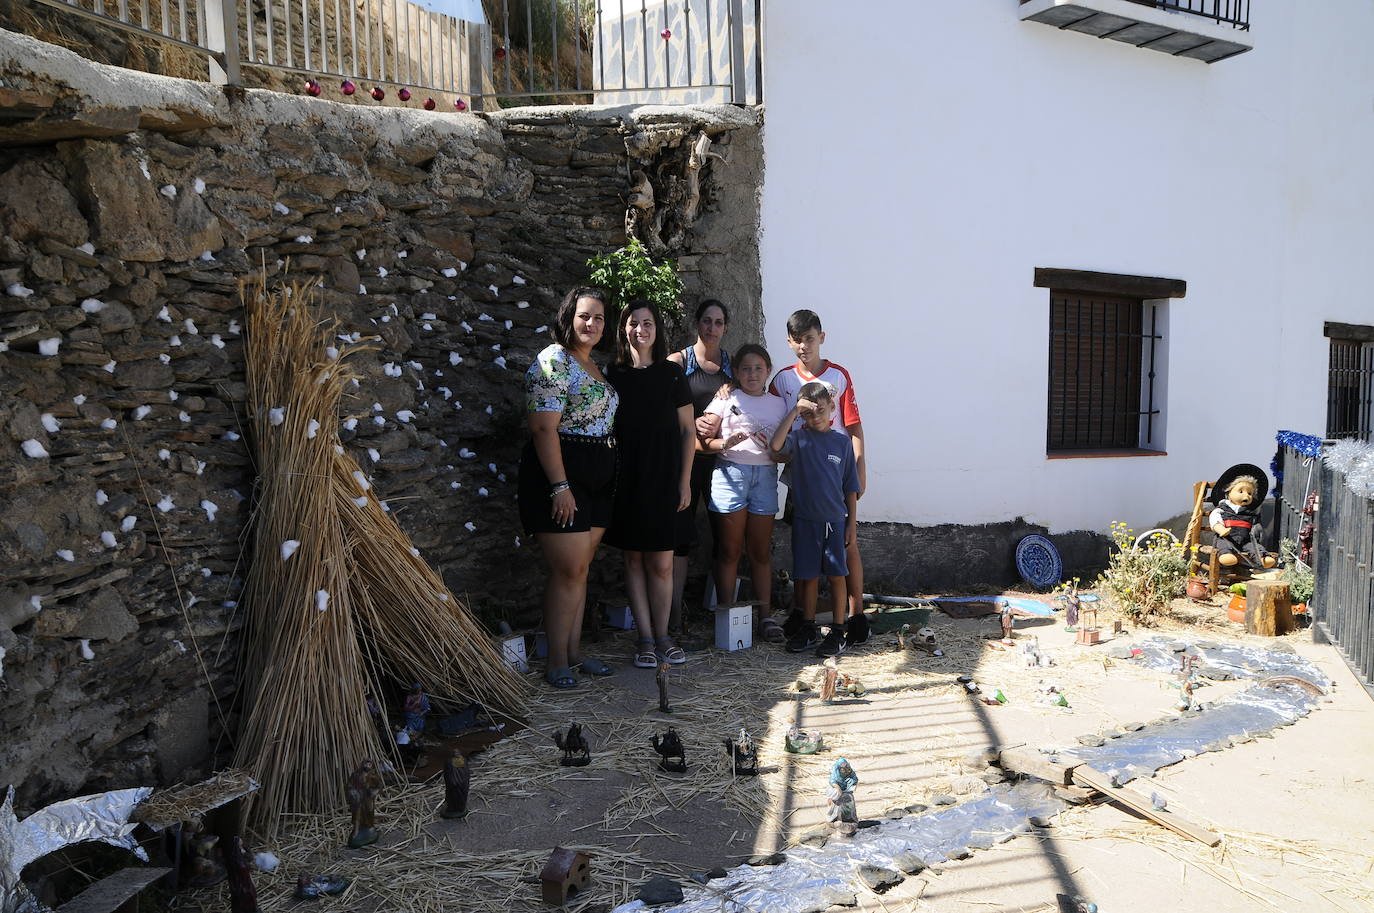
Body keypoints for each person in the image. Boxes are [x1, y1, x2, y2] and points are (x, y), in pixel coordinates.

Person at [518, 287, 619, 689]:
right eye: (584, 317)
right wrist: (560, 486)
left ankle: (574, 655)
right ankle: (556, 661)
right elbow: (543, 427)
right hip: (564, 478)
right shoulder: (553, 360)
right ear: (568, 318)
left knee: (581, 571)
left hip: (598, 479)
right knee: (569, 571)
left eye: (598, 318)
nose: (592, 324)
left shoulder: (593, 364)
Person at [770, 309, 869, 649]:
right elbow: (768, 415)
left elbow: (853, 425)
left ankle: (855, 617)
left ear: (821, 338)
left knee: (845, 547)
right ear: (789, 342)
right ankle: (803, 617)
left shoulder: (839, 376)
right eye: (797, 340)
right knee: (805, 551)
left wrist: (860, 467)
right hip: (801, 474)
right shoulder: (782, 379)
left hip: (834, 472)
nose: (804, 346)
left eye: (810, 339)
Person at [605, 300, 696, 669]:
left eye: (647, 323)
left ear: (657, 330)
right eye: (633, 323)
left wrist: (685, 481)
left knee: (661, 563)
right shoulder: (612, 375)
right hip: (626, 479)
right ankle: (644, 638)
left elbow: (689, 431)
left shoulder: (672, 374)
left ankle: (664, 636)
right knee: (633, 559)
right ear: (623, 328)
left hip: (664, 478)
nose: (640, 329)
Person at [700, 344, 788, 642]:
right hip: (729, 474)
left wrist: (781, 456)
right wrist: (724, 444)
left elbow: (788, 446)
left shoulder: (778, 404)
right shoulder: (725, 398)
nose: (752, 374)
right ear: (736, 372)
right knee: (729, 551)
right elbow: (701, 442)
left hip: (764, 478)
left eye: (758, 369)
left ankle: (765, 617)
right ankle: (729, 617)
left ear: (768, 372)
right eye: (746, 368)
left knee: (760, 552)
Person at [667, 300, 732, 627]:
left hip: (721, 462)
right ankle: (674, 613)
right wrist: (696, 422)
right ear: (697, 323)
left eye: (718, 322)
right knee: (678, 538)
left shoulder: (732, 366)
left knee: (725, 538)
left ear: (726, 328)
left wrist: (719, 424)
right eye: (707, 320)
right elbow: (664, 414)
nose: (712, 328)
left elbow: (742, 407)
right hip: (685, 462)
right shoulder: (678, 362)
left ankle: (724, 615)